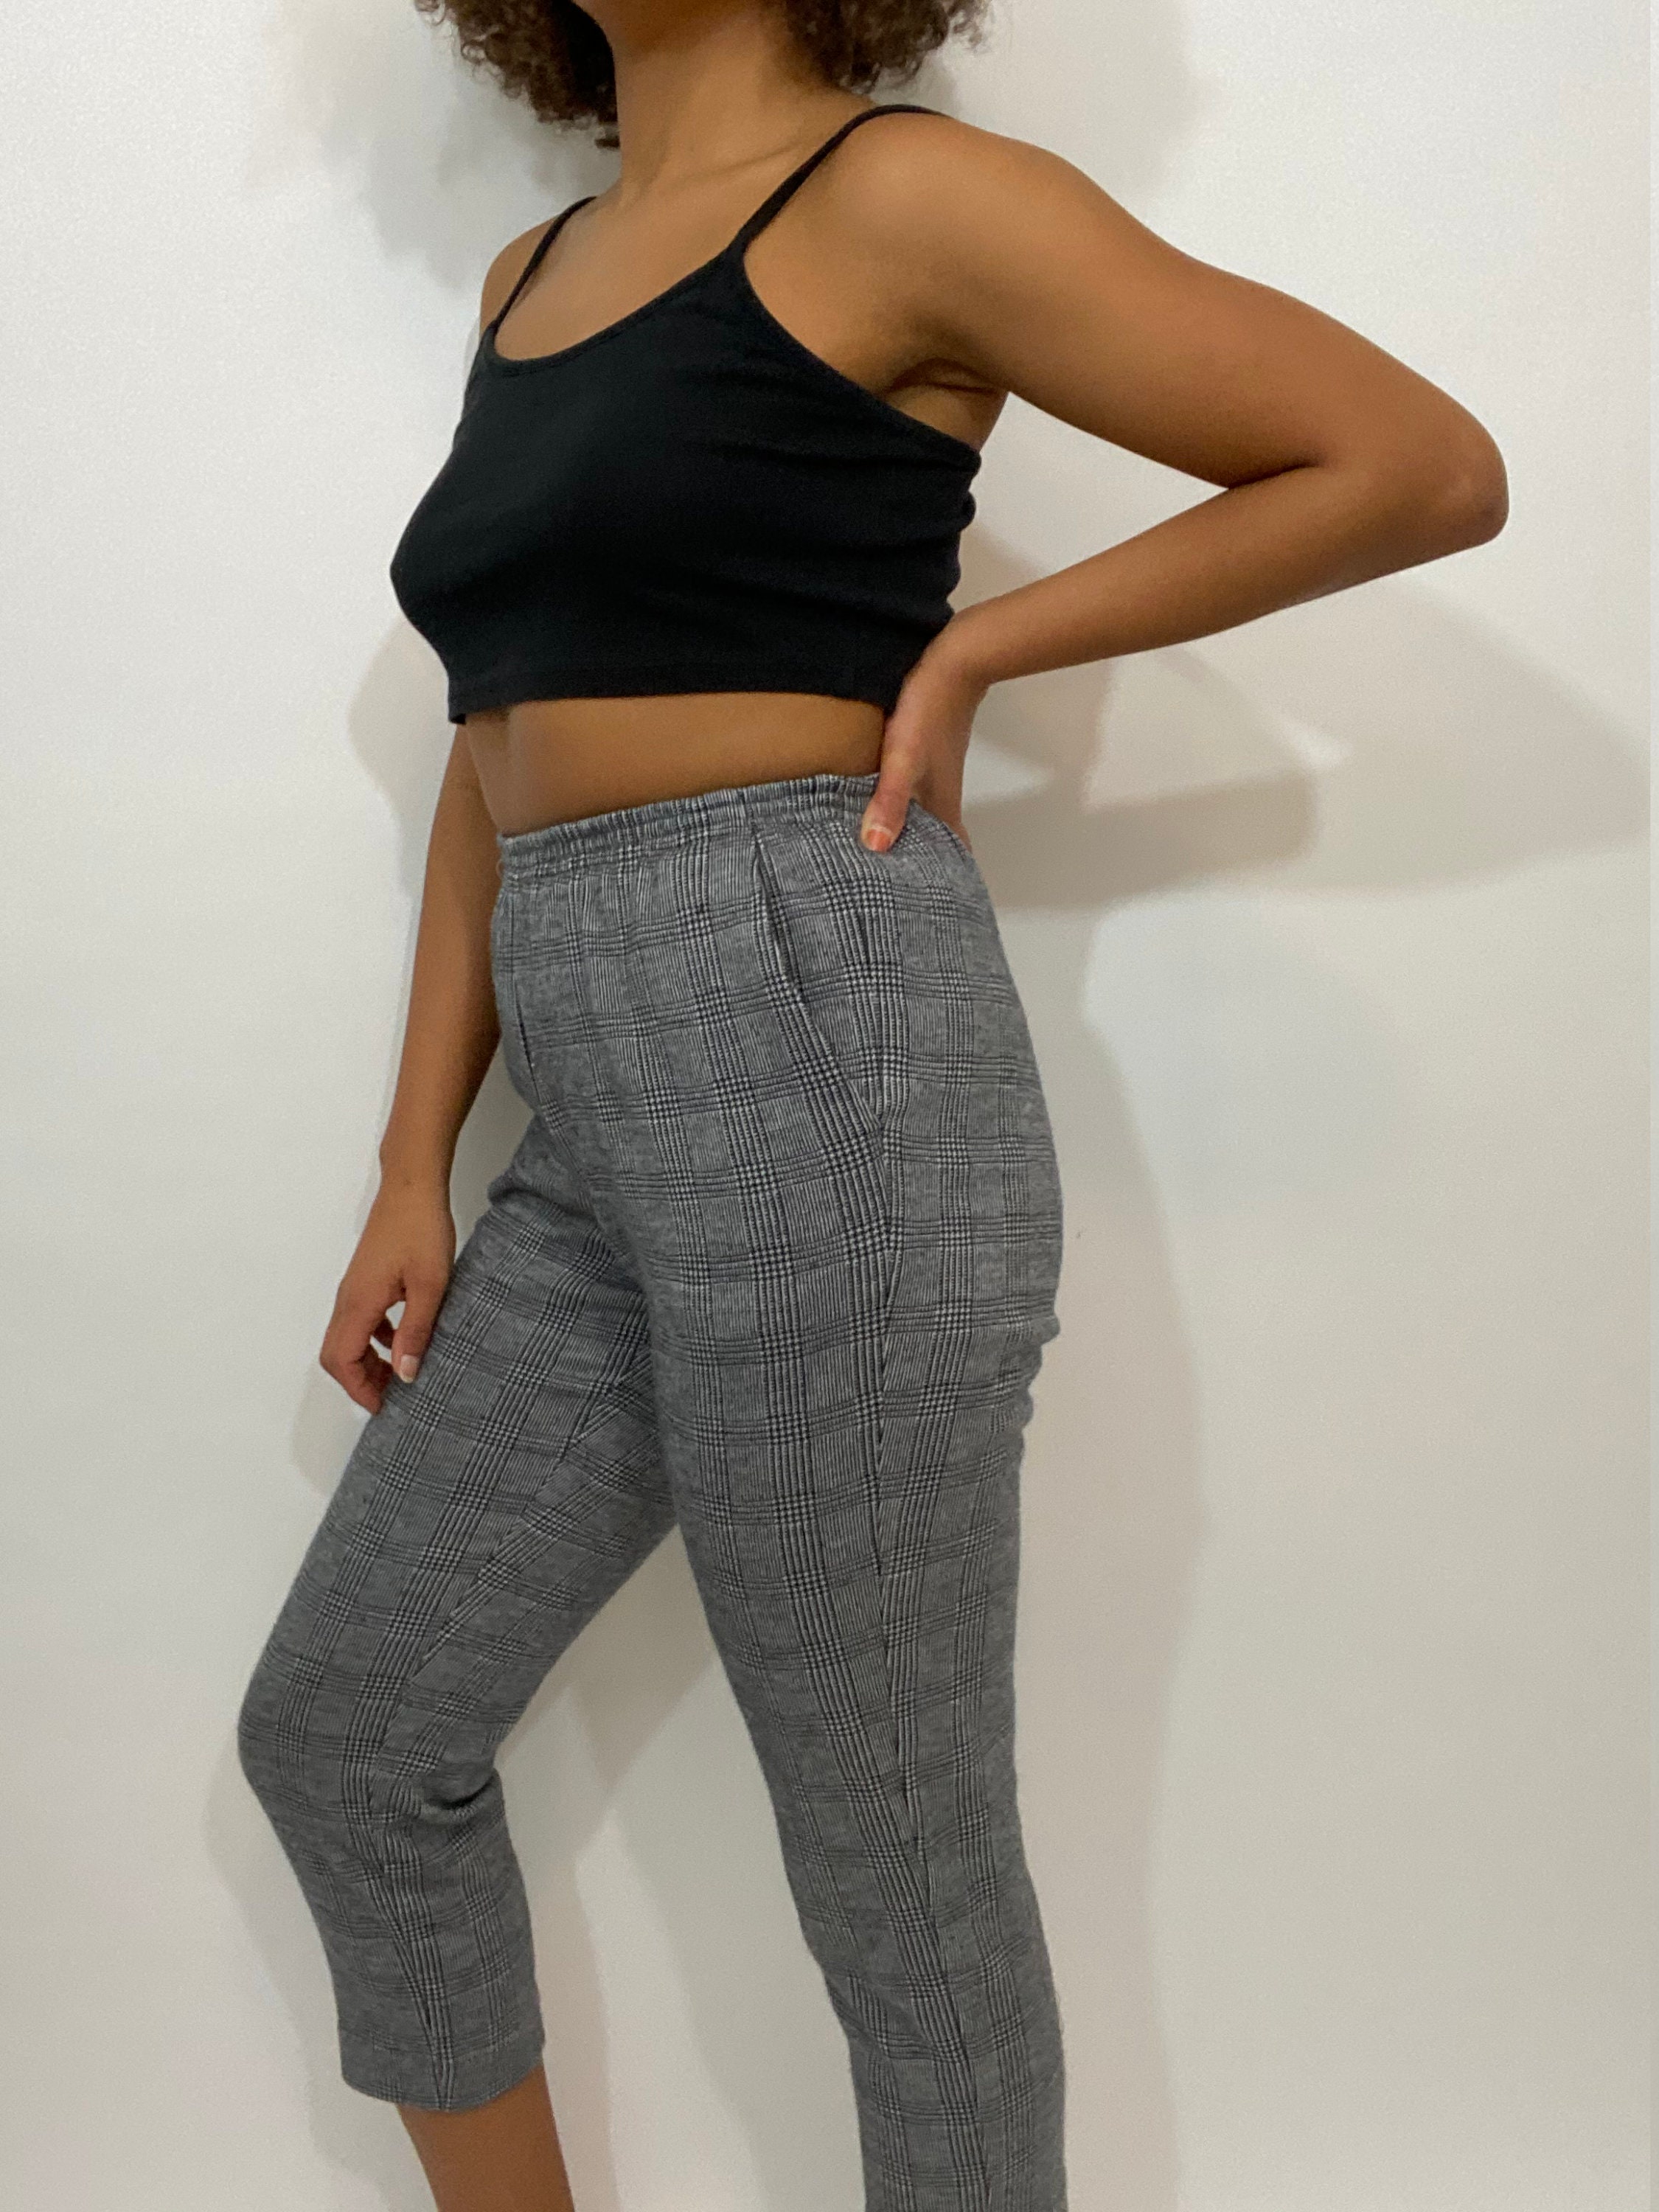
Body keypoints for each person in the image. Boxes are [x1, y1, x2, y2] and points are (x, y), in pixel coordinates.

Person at [234, 2, 1509, 2207]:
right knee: (351, 1736)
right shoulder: (532, 277)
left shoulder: (900, 198)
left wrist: (978, 647)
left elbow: (1410, 462)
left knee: (894, 1873)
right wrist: (410, 1161)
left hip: (823, 1041)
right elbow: (490, 741)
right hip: (587, 1104)